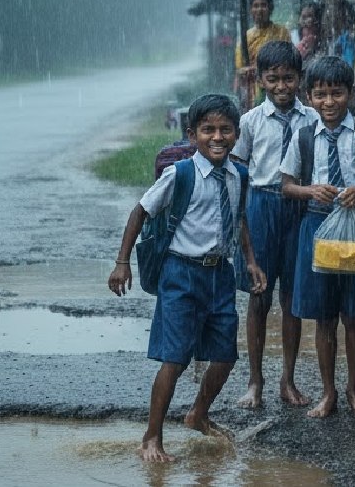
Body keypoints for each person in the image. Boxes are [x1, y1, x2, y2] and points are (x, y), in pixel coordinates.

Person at [107, 94, 267, 463]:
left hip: (220, 276)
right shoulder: (179, 174)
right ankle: (152, 436)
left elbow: (239, 220)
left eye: (225, 129)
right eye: (208, 130)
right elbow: (140, 211)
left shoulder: (239, 175)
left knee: (225, 356)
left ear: (236, 134)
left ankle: (198, 413)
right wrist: (122, 262)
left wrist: (251, 262)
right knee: (175, 360)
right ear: (192, 135)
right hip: (181, 274)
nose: (217, 137)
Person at [280, 56, 355, 417]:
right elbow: (286, 185)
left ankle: (354, 387)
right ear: (309, 97)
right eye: (320, 95)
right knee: (324, 317)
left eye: (336, 93)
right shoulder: (304, 136)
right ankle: (328, 392)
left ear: (349, 93)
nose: (328, 102)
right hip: (318, 225)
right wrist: (310, 191)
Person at [232, 40, 320, 408]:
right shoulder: (250, 121)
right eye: (273, 79)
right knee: (259, 296)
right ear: (261, 80)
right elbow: (237, 171)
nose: (281, 86)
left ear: (299, 79)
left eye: (288, 78)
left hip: (299, 205)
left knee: (292, 298)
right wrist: (240, 222)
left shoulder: (312, 118)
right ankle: (255, 380)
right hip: (262, 204)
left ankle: (288, 379)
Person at [235, 0, 292, 106]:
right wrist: (247, 72)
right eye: (255, 6)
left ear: (270, 8)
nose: (259, 10)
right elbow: (240, 68)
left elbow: (288, 60)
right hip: (252, 88)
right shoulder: (246, 37)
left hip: (277, 85)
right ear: (251, 10)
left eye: (263, 5)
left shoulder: (281, 32)